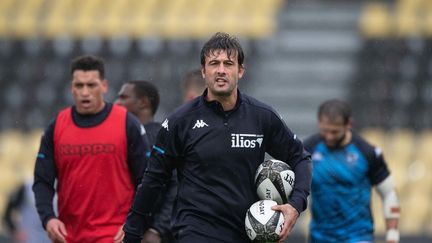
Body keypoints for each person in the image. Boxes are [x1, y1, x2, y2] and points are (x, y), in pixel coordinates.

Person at [122, 32, 312, 243]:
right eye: (214, 63)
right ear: (204, 71)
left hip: (246, 233)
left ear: (240, 71)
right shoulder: (180, 121)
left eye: (228, 63)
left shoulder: (262, 116)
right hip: (195, 232)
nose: (221, 70)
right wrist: (132, 231)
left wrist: (295, 205)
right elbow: (153, 179)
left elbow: (300, 158)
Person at [32, 55, 151, 243]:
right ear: (72, 88)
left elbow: (147, 180)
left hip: (115, 238)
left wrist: (136, 222)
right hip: (70, 238)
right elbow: (42, 181)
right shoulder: (56, 127)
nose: (85, 92)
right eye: (79, 86)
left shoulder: (127, 124)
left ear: (104, 86)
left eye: (91, 85)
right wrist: (48, 218)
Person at [303, 99, 400, 243]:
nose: (329, 136)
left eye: (334, 132)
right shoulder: (308, 149)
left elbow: (389, 193)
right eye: (324, 131)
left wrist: (392, 235)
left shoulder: (367, 152)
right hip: (319, 237)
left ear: (348, 124)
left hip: (357, 236)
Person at [115, 80, 176, 243]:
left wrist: (157, 229)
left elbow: (176, 187)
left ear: (143, 102)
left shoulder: (160, 139)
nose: (116, 103)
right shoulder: (122, 139)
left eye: (123, 98)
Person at [3, 178, 50, 243]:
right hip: (29, 238)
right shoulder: (27, 187)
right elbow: (7, 213)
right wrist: (14, 230)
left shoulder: (62, 188)